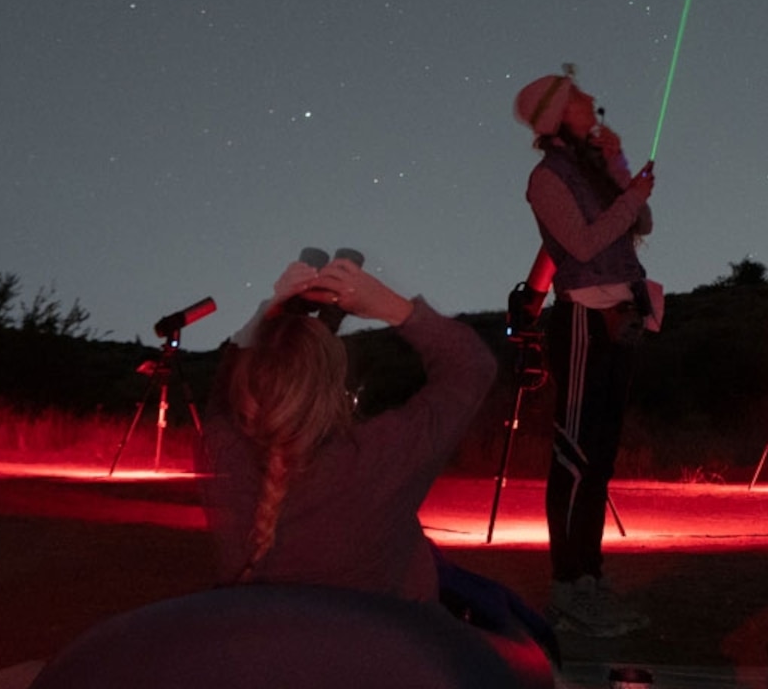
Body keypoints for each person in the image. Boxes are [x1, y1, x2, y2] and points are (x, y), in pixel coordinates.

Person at [200, 251, 540, 645]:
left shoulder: (223, 453)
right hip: (382, 657)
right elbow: (472, 366)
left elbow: (226, 386)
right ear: (334, 390)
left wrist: (273, 308)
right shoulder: (377, 457)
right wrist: (390, 305)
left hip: (273, 654)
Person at [513, 66, 660, 637]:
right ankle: (567, 586)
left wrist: (620, 167)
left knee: (599, 457)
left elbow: (639, 222)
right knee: (574, 458)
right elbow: (582, 242)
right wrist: (630, 201)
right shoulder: (545, 179)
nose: (592, 98)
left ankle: (590, 579)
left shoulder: (592, 166)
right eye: (578, 95)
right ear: (558, 115)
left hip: (619, 317)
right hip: (579, 321)